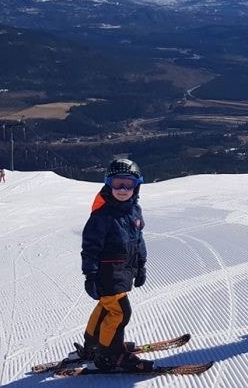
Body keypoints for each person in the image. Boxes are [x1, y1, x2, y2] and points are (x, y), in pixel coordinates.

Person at [76, 158, 153, 373]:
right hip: (108, 273)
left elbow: (138, 240)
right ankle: (111, 355)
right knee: (120, 312)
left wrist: (141, 265)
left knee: (106, 307)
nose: (122, 189)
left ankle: (94, 345)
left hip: (124, 271)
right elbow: (90, 248)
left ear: (137, 186)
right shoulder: (102, 216)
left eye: (128, 184)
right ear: (108, 184)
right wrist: (90, 275)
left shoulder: (134, 211)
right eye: (117, 183)